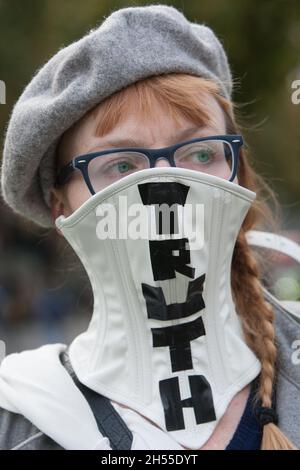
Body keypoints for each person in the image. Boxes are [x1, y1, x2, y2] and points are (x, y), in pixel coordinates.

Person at [0, 4, 299, 451]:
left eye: (200, 154)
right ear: (61, 207)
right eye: (121, 164)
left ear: (238, 174)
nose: (166, 183)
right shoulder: (17, 422)